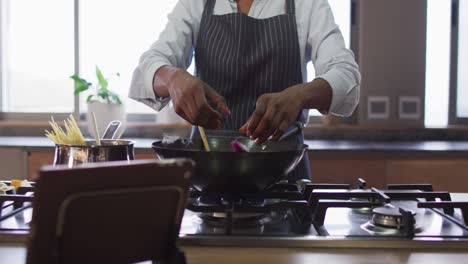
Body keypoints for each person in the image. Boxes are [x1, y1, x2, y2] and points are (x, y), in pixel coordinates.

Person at [129, 0, 361, 180]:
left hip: (285, 173)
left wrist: (300, 96)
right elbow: (148, 66)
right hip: (209, 175)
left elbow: (346, 76)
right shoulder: (197, 3)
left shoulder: (306, 4)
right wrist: (172, 78)